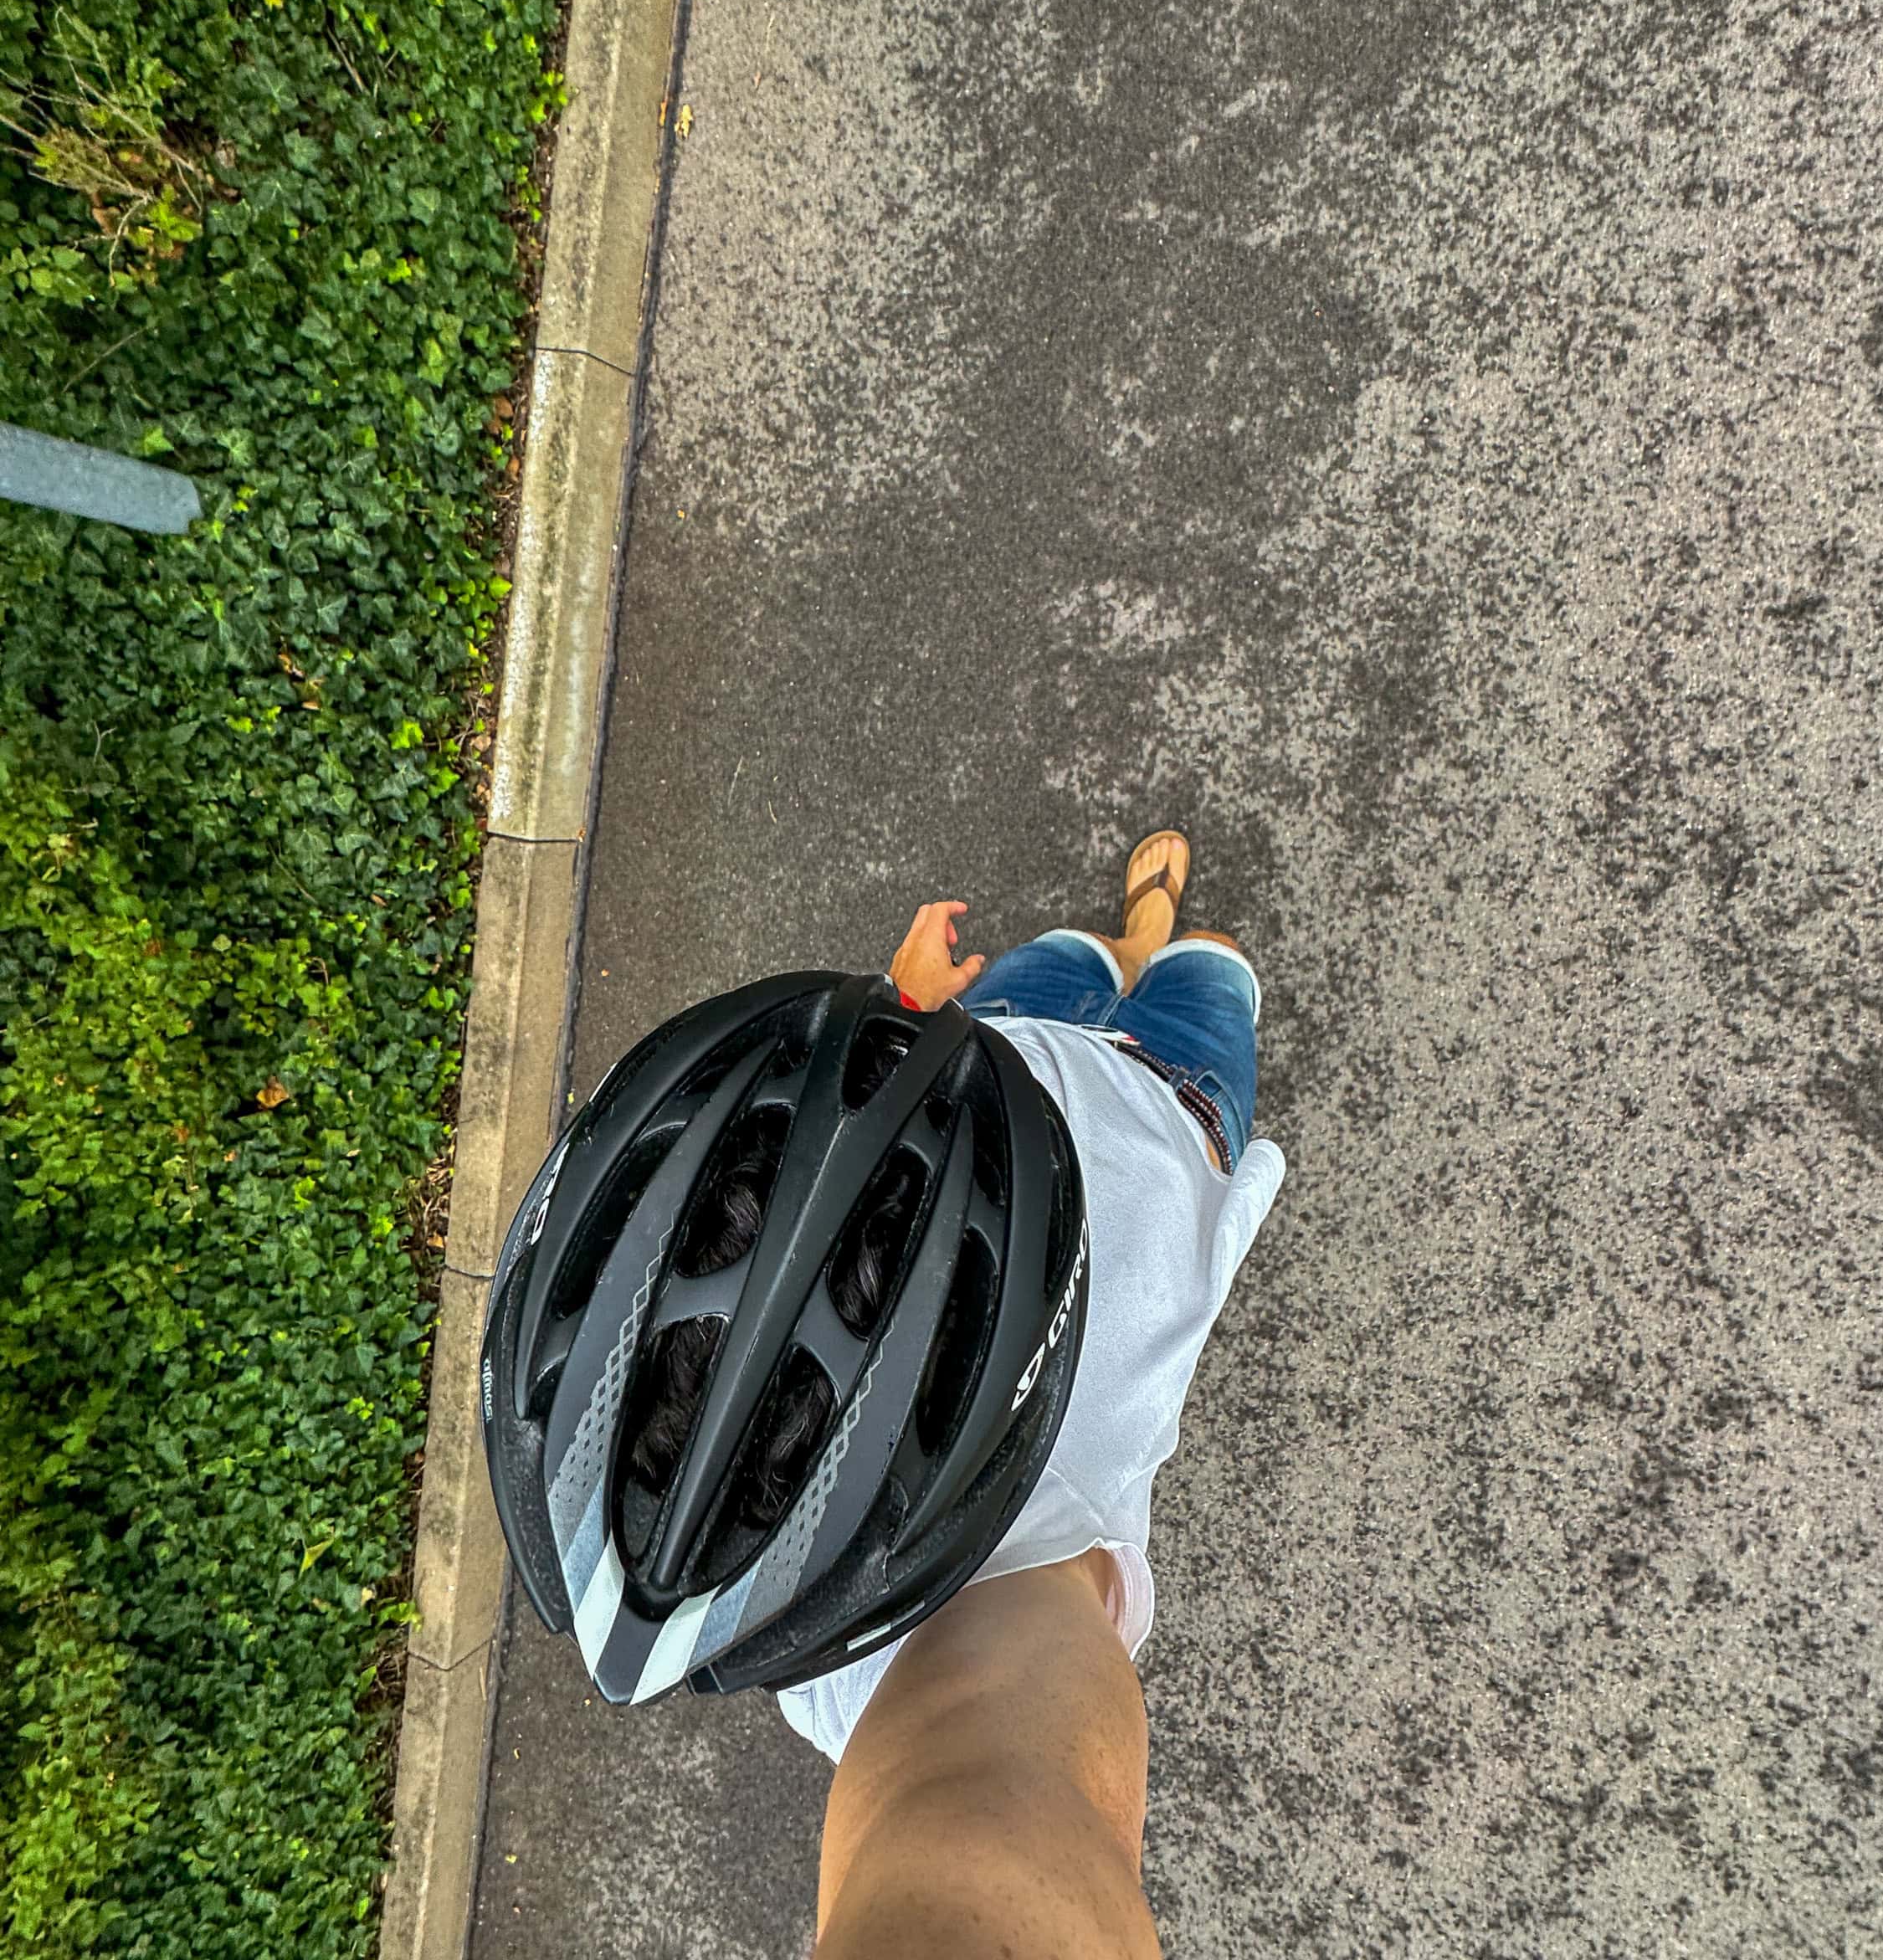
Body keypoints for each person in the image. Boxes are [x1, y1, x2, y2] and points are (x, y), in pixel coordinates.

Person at [479, 833, 1284, 1960]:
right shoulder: (966, 1647)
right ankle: (1154, 935)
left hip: (1001, 1019)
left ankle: (1134, 933)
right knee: (1210, 963)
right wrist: (889, 1039)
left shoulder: (825, 1656)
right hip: (1169, 1082)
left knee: (1090, 952)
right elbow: (975, 1817)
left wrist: (904, 1017)